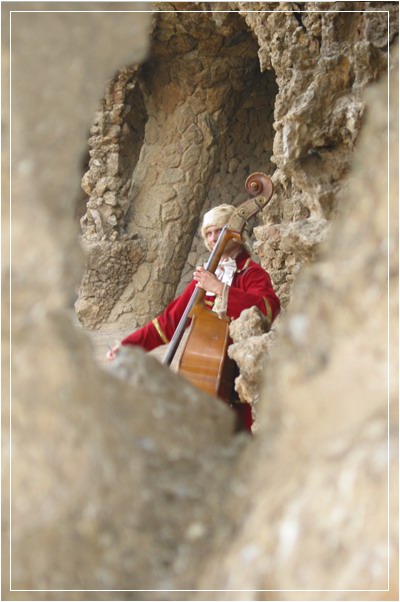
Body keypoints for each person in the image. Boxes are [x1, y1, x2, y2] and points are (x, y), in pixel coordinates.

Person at [107, 204, 280, 431]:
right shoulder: (206, 278)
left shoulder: (251, 273)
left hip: (242, 381)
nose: (212, 238)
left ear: (235, 234)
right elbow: (169, 322)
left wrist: (221, 289)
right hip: (210, 380)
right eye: (208, 233)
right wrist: (128, 346)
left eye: (218, 230)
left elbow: (267, 309)